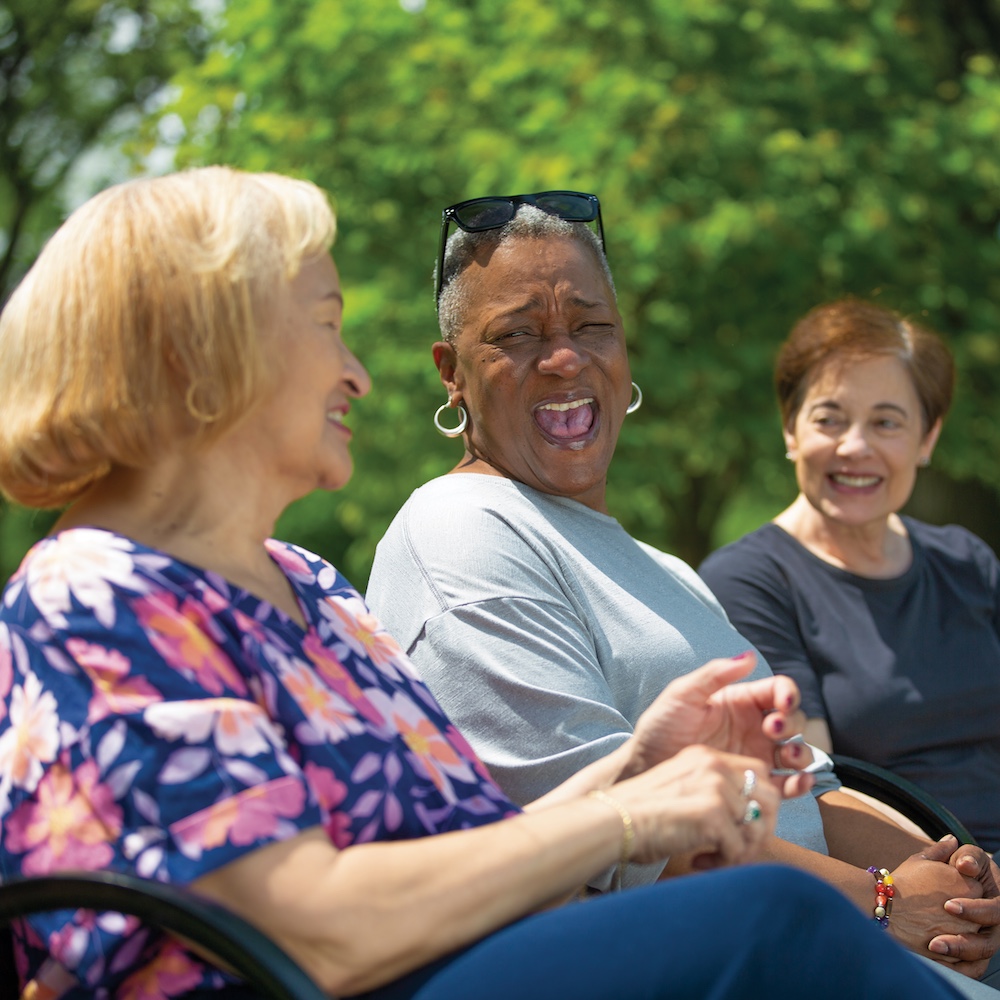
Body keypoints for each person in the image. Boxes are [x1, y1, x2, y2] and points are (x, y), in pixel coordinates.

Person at [0, 168, 953, 1000]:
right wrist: (631, 814)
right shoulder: (99, 597)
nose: (357, 374)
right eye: (326, 327)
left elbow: (468, 851)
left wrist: (636, 766)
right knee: (769, 916)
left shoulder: (307, 585)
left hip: (459, 958)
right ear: (196, 356)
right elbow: (305, 927)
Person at [366, 191, 1000, 995]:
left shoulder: (667, 570)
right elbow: (615, 842)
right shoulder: (460, 530)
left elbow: (814, 787)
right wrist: (880, 903)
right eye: (517, 335)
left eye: (592, 326)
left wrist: (943, 876)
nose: (564, 359)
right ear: (452, 373)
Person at [698, 297, 1000, 853]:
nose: (854, 446)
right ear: (791, 430)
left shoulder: (968, 562)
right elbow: (814, 790)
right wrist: (968, 880)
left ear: (927, 439)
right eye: (829, 419)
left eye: (886, 422)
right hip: (919, 883)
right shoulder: (750, 582)